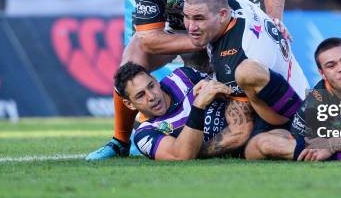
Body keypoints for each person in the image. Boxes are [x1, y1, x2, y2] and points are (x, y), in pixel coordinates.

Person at [87, 0, 286, 160]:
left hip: (219, 33)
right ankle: (120, 141)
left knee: (243, 77)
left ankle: (268, 122)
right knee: (133, 55)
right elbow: (150, 39)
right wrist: (198, 40)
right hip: (184, 37)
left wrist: (275, 22)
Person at [183, 0, 309, 139]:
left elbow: (239, 132)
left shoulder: (237, 57)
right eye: (186, 17)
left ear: (222, 15)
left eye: (199, 19)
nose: (190, 27)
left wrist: (193, 152)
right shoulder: (234, 2)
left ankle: (308, 136)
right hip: (299, 91)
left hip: (291, 120)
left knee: (250, 148)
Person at [102, 62, 253, 161]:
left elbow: (228, 88)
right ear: (130, 105)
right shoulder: (145, 134)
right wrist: (198, 105)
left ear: (155, 80)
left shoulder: (183, 76)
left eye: (151, 86)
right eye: (140, 95)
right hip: (248, 148)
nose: (152, 96)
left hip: (253, 116)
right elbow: (181, 155)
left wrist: (214, 87)